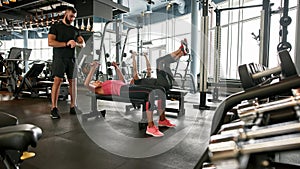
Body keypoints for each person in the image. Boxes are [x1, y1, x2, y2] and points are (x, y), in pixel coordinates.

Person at [84, 61, 176, 137]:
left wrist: (116, 67)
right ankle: (150, 127)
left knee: (161, 89)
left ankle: (162, 120)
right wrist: (93, 68)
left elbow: (122, 80)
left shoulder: (107, 82)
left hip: (128, 87)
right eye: (95, 82)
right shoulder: (99, 89)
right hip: (124, 92)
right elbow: (86, 84)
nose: (97, 81)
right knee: (150, 94)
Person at [48, 6, 86, 119]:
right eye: (71, 16)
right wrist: (66, 43)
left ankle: (73, 106)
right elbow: (50, 42)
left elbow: (83, 44)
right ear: (66, 14)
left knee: (73, 82)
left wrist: (77, 44)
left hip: (71, 59)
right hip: (59, 58)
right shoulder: (56, 27)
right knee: (58, 80)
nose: (72, 19)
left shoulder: (74, 30)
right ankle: (54, 108)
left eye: (74, 17)